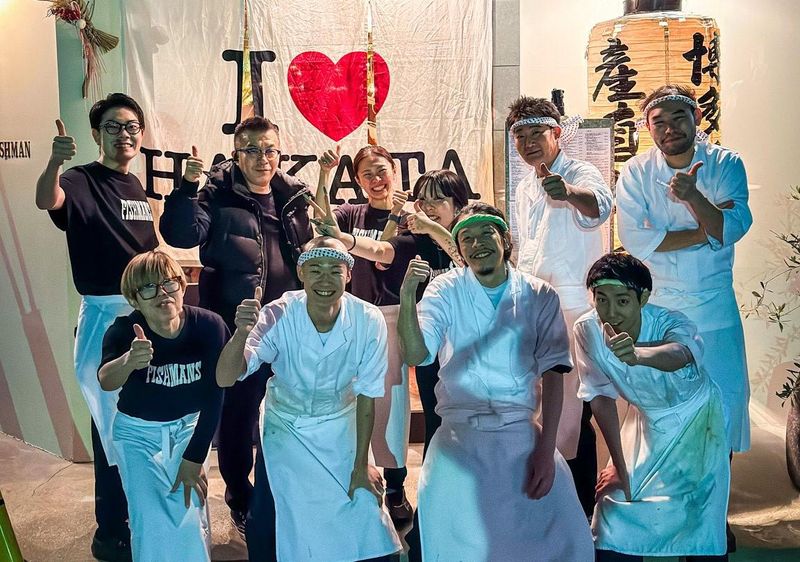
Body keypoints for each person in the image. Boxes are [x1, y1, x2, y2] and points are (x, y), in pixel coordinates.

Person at [397, 203, 594, 561]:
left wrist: (546, 451)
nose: (477, 244)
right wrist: (408, 296)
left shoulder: (539, 294)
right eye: (467, 238)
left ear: (504, 239)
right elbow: (416, 354)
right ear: (459, 249)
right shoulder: (444, 289)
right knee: (456, 546)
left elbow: (554, 374)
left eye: (485, 233)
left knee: (564, 542)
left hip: (520, 434)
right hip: (459, 437)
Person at [159, 116, 313, 551]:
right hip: (235, 324)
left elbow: (305, 252)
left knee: (287, 411)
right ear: (236, 154)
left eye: (270, 150)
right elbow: (181, 233)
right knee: (237, 417)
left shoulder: (292, 195)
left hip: (287, 324)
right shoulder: (215, 192)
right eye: (252, 150)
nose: (263, 159)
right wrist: (186, 189)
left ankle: (281, 493)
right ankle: (242, 499)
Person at [216, 236, 402, 561]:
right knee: (275, 513)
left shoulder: (368, 319)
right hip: (287, 424)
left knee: (363, 506)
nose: (325, 280)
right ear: (301, 273)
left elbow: (368, 394)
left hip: (341, 421)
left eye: (335, 270)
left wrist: (361, 464)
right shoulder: (278, 313)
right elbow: (226, 377)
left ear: (348, 274)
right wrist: (241, 333)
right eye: (315, 269)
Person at [35, 92, 158, 561]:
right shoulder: (79, 179)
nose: (124, 134)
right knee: (111, 428)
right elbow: (48, 199)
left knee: (141, 420)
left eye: (131, 127)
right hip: (105, 320)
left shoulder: (136, 187)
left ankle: (140, 517)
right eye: (113, 126)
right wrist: (53, 163)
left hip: (144, 315)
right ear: (96, 134)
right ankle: (111, 531)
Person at [615, 84, 753, 456]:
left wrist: (693, 196)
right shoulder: (636, 171)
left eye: (679, 117)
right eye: (659, 122)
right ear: (648, 128)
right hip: (661, 305)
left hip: (714, 304)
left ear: (698, 117)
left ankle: (719, 489)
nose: (669, 128)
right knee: (663, 406)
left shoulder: (726, 164)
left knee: (722, 403)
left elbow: (732, 228)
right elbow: (635, 240)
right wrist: (705, 230)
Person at [574, 252, 729, 561]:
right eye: (602, 300)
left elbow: (680, 353)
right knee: (614, 512)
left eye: (622, 301)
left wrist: (638, 355)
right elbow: (599, 396)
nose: (611, 312)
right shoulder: (587, 329)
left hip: (698, 422)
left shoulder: (670, 321)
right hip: (645, 423)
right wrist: (619, 467)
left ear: (643, 297)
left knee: (698, 518)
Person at [507, 96, 613, 516]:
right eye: (521, 135)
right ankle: (550, 501)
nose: (529, 142)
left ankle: (580, 508)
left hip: (571, 307)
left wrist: (568, 192)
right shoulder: (524, 186)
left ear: (556, 133)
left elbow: (599, 205)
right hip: (533, 306)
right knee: (541, 406)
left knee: (572, 412)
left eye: (537, 132)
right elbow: (528, 251)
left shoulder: (580, 171)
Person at [99, 251, 228, 561]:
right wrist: (129, 361)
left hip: (188, 429)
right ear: (134, 299)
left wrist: (194, 457)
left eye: (169, 283)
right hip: (137, 436)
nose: (162, 294)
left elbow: (215, 396)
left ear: (182, 286)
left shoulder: (209, 326)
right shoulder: (124, 331)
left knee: (188, 513)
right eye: (148, 288)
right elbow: (105, 379)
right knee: (149, 519)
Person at [314, 145, 414, 525]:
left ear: (394, 171)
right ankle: (357, 473)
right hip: (352, 316)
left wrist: (397, 215)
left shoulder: (410, 216)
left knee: (392, 403)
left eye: (381, 171)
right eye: (367, 174)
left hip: (394, 315)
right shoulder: (351, 214)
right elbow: (323, 224)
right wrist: (324, 174)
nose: (376, 180)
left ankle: (396, 485)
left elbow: (384, 257)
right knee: (351, 397)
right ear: (357, 181)